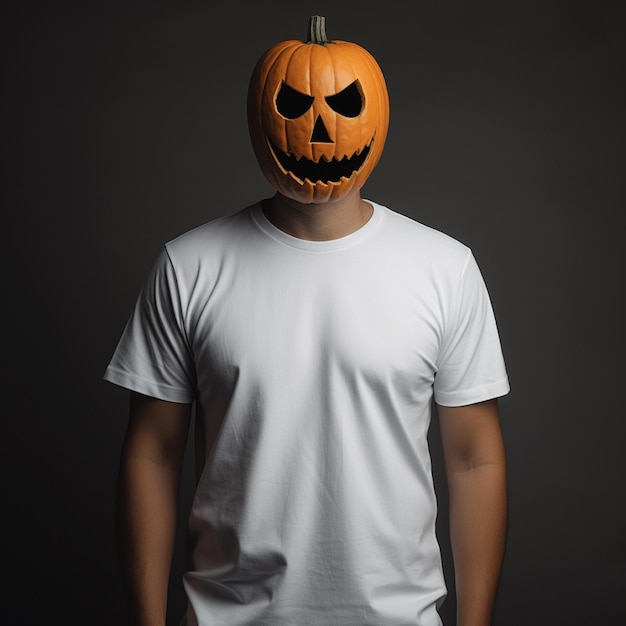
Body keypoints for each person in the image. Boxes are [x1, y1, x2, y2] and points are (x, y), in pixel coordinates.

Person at [105, 16, 509, 626]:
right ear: (259, 119)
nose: (320, 129)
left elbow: (475, 459)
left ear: (376, 114)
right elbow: (152, 455)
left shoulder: (445, 268)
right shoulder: (187, 266)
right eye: (295, 105)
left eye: (344, 104)